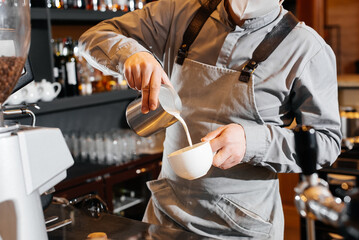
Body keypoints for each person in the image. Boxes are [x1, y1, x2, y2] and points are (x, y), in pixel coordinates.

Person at [79, 0, 342, 239]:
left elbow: (327, 142)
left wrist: (251, 142)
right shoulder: (179, 13)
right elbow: (93, 37)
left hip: (243, 228)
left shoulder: (307, 49)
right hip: (165, 220)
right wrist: (131, 54)